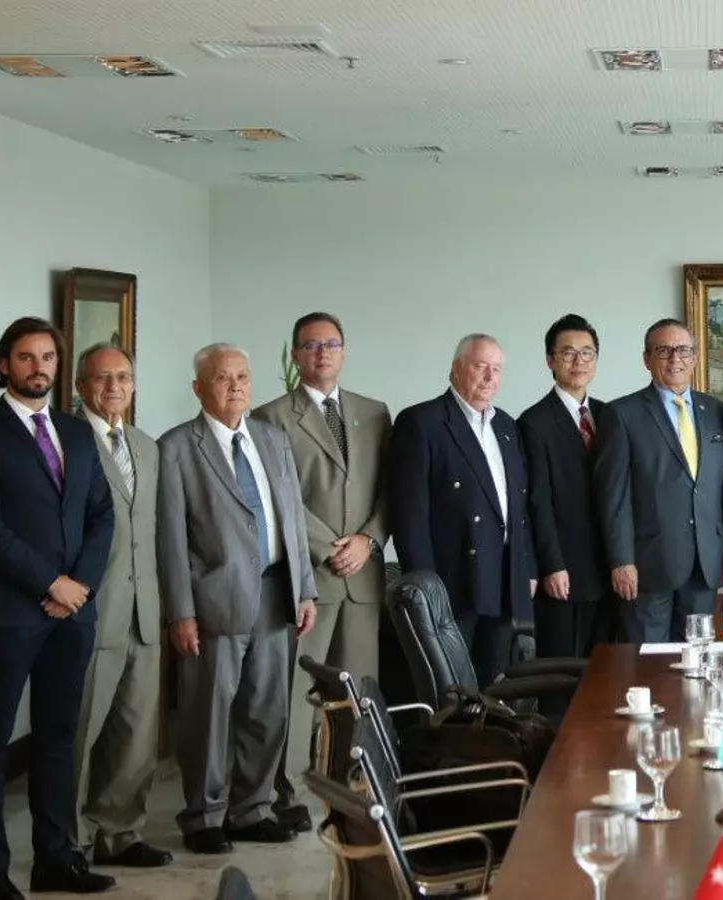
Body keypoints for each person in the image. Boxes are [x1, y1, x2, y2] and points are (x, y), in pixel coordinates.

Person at [157, 343, 318, 855]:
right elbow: (170, 539)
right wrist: (181, 612)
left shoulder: (272, 439)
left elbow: (293, 519)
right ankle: (203, 816)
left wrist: (305, 588)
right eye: (222, 378)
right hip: (214, 602)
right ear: (198, 387)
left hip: (275, 591)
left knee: (268, 710)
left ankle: (251, 810)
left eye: (243, 377)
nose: (235, 386)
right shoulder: (177, 447)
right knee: (208, 714)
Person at [0, 318, 115, 897]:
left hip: (72, 614)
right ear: (3, 365)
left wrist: (78, 586)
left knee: (59, 736)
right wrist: (50, 583)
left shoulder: (77, 432)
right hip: (6, 614)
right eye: (25, 357)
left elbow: (101, 515)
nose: (39, 367)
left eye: (48, 357)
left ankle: (55, 860)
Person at [252, 312, 390, 833]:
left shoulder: (373, 413)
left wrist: (368, 540)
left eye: (331, 344)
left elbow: (389, 489)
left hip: (363, 576)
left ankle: (355, 787)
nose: (322, 353)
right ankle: (287, 792)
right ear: (295, 355)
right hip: (309, 577)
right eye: (311, 345)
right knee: (297, 696)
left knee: (359, 694)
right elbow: (278, 497)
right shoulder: (270, 417)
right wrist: (330, 547)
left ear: (344, 350)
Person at [70, 344, 170, 870]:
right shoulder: (68, 442)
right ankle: (70, 841)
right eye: (102, 378)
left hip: (143, 612)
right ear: (80, 386)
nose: (114, 387)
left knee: (135, 734)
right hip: (91, 611)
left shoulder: (147, 447)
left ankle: (120, 833)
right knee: (80, 733)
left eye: (124, 377)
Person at [392, 334, 538, 686]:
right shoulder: (422, 422)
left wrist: (528, 567)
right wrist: (426, 589)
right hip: (452, 582)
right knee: (450, 690)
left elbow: (519, 507)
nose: (490, 377)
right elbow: (409, 515)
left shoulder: (506, 426)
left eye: (497, 369)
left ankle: (490, 726)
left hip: (503, 578)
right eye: (480, 366)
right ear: (456, 369)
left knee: (494, 684)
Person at [595, 319, 723, 642]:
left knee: (697, 658)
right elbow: (614, 497)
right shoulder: (621, 414)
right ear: (646, 359)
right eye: (664, 350)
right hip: (647, 567)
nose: (675, 359)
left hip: (704, 566)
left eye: (683, 350)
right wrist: (621, 560)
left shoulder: (718, 412)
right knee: (647, 661)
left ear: (694, 358)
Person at [519, 315, 618, 657]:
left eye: (587, 352)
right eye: (568, 353)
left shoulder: (610, 416)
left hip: (610, 572)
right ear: (550, 360)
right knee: (563, 673)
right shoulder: (533, 423)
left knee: (608, 671)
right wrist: (551, 565)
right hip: (564, 573)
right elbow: (537, 503)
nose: (579, 361)